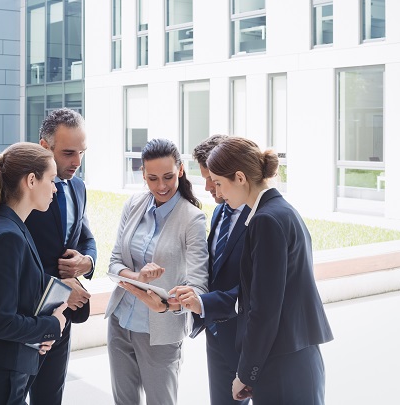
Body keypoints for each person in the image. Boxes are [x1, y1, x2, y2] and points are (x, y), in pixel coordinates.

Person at [206, 137, 334, 405]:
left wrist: (245, 373)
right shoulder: (282, 211)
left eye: (218, 182)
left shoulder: (266, 221)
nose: (217, 192)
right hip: (293, 357)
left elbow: (264, 310)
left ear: (240, 177)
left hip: (282, 366)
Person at [0, 142, 68, 405]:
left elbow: (15, 300)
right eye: (51, 180)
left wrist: (41, 333)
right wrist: (52, 326)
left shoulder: (12, 226)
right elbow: (1, 322)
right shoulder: (7, 235)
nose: (55, 188)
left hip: (0, 374)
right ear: (31, 180)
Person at [105, 138, 208, 405]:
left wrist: (164, 305)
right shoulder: (133, 205)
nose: (161, 186)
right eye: (152, 178)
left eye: (168, 177)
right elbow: (114, 262)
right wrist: (138, 278)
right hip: (120, 322)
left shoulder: (192, 219)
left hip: (161, 333)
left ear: (181, 170)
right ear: (143, 175)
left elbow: (199, 289)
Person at [169, 134, 251, 405]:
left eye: (212, 180)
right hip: (216, 333)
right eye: (205, 178)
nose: (207, 188)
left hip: (249, 337)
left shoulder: (261, 217)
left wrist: (203, 303)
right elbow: (212, 268)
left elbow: (256, 286)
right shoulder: (219, 213)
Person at [26, 108, 97, 405]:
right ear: (45, 147)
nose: (77, 162)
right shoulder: (24, 190)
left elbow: (86, 237)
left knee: (50, 397)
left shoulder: (78, 186)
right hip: (25, 314)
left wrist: (87, 261)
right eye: (69, 153)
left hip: (62, 317)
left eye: (81, 152)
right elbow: (16, 258)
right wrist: (63, 284)